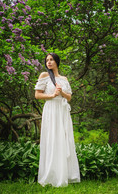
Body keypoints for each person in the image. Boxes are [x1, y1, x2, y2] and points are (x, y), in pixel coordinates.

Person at [34, 53, 80, 187]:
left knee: (64, 140)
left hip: (63, 111)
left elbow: (69, 97)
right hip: (51, 110)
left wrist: (61, 93)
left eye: (51, 59)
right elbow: (37, 95)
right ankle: (52, 175)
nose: (48, 62)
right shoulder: (44, 76)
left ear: (57, 62)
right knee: (53, 139)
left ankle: (65, 174)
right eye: (47, 60)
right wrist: (52, 95)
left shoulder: (64, 79)